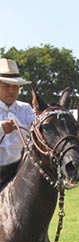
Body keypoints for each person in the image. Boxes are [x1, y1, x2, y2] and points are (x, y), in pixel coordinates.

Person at [0, 58, 35, 189]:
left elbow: (38, 130)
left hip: (21, 173)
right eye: (6, 85)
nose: (11, 90)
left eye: (15, 86)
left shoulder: (25, 109)